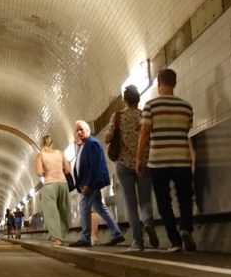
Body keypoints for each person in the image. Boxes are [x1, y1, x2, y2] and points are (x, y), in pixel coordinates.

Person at [136, 69, 195, 252]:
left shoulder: (151, 106)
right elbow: (186, 131)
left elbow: (145, 133)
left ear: (158, 83)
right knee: (185, 197)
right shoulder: (186, 107)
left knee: (164, 201)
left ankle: (175, 241)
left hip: (159, 161)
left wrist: (139, 158)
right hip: (182, 159)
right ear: (175, 83)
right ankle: (186, 228)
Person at [112, 85, 159, 251]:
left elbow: (108, 136)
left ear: (124, 100)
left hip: (124, 164)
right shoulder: (143, 115)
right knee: (145, 199)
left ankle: (138, 242)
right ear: (138, 99)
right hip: (144, 162)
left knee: (130, 204)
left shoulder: (118, 117)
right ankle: (147, 221)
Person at [69, 121, 125, 247]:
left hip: (91, 183)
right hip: (87, 183)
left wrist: (88, 184)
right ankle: (117, 234)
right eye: (77, 130)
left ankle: (85, 238)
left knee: (83, 208)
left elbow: (94, 166)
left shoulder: (92, 143)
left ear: (88, 130)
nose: (79, 132)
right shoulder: (83, 145)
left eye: (81, 129)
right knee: (100, 208)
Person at [35, 134, 72, 245]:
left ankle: (57, 238)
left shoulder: (40, 155)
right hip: (63, 183)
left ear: (42, 143)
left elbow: (39, 172)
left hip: (49, 185)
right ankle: (63, 234)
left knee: (51, 212)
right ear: (52, 143)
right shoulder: (60, 153)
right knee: (64, 210)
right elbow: (68, 170)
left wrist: (46, 171)